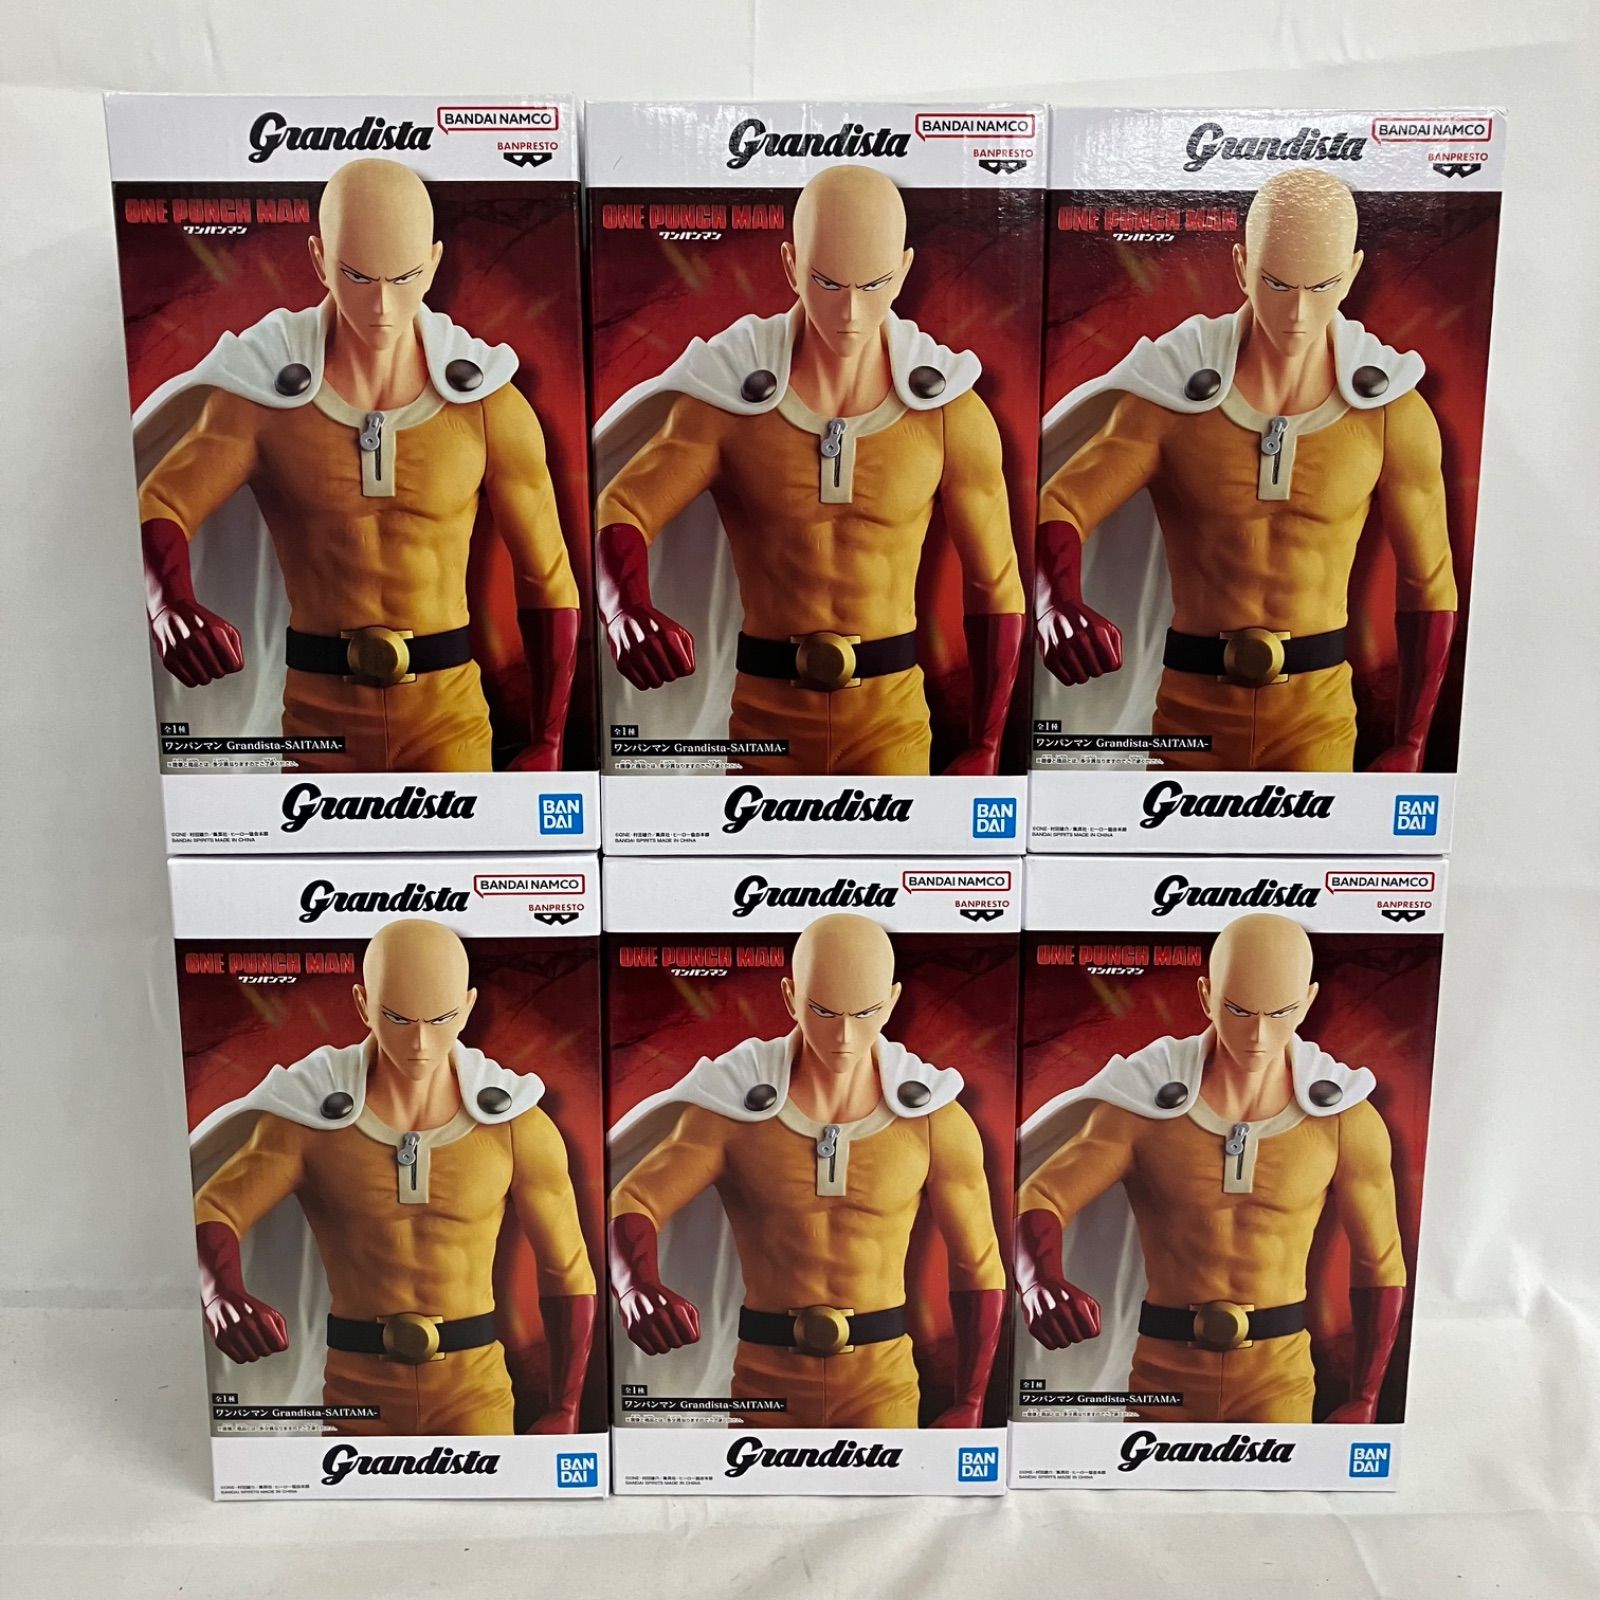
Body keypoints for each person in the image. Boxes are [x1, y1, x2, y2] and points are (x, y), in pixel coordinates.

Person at [135, 158, 579, 773]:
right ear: (319, 261)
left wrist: (548, 740)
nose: (382, 304)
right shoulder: (262, 400)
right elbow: (161, 501)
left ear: (434, 263)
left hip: (447, 719)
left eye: (404, 277)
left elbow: (547, 576)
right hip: (316, 723)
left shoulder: (488, 406)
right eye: (358, 276)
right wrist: (168, 602)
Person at [593, 165, 1025, 776]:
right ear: (791, 266)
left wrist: (986, 745)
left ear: (903, 271)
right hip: (763, 723)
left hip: (891, 723)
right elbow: (624, 506)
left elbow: (996, 585)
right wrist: (624, 607)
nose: (850, 311)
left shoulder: (950, 413)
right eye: (826, 282)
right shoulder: (729, 402)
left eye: (873, 283)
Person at [1034, 168, 1457, 772]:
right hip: (1188, 717)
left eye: (1322, 285)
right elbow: (1061, 503)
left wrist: (1411, 743)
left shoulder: (1391, 414)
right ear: (1240, 266)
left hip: (1316, 719)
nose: (1298, 312)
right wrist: (1054, 601)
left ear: (1353, 273)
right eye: (1276, 283)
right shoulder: (1172, 398)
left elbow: (1429, 584)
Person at [191, 919, 596, 1435]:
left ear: (468, 1007)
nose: (421, 1042)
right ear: (363, 1005)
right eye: (398, 1018)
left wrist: (566, 1408)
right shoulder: (309, 1120)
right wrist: (220, 1291)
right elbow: (216, 1207)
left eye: (441, 1018)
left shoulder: (516, 1125)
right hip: (353, 1394)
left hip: (475, 1392)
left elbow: (567, 1270)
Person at [608, 913, 1005, 1428]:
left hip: (881, 1383)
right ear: (791, 998)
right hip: (764, 1383)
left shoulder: (935, 1121)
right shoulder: (732, 1112)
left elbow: (978, 1264)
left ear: (891, 1002)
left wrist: (971, 1403)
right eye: (823, 1011)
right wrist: (634, 1282)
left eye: (865, 1012)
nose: (844, 1035)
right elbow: (635, 1199)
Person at [1015, 913, 1406, 1424]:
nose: (1258, 1034)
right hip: (1162, 1376)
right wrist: (1038, 1278)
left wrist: (1366, 1397)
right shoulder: (1143, 1108)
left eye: (1281, 1012)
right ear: (1206, 996)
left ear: (1308, 1001)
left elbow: (1380, 1264)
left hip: (1278, 1377)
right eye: (1238, 1009)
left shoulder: (1344, 1120)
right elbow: (1042, 1194)